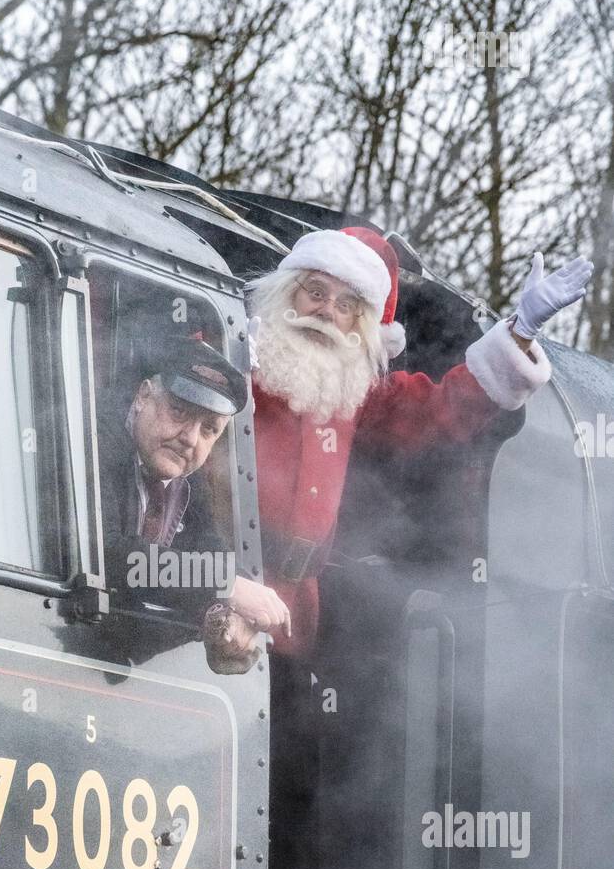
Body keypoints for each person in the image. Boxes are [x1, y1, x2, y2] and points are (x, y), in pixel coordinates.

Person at [220, 228, 594, 663]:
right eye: (316, 292)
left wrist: (521, 333)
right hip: (224, 591)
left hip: (297, 614)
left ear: (361, 324)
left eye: (346, 305)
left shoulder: (355, 393)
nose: (325, 312)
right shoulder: (238, 356)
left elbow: (439, 412)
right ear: (288, 294)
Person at [97, 335, 290, 667]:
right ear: (144, 395)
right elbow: (109, 556)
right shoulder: (96, 441)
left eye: (209, 429)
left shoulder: (185, 473)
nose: (190, 438)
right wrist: (224, 584)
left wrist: (226, 615)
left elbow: (208, 547)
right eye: (178, 411)